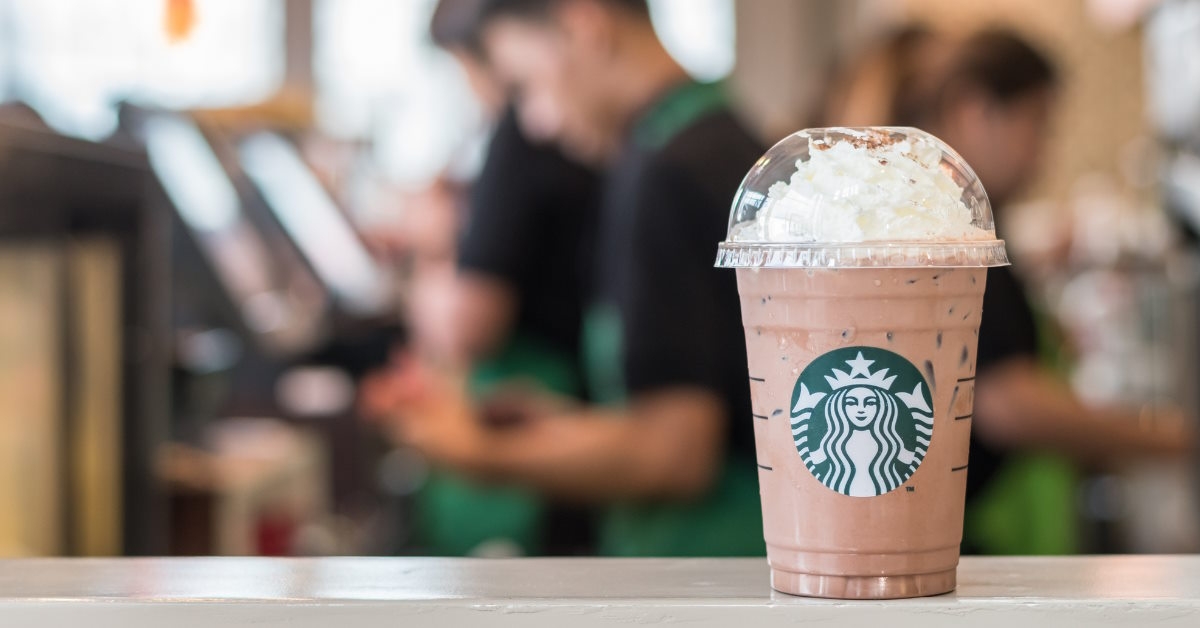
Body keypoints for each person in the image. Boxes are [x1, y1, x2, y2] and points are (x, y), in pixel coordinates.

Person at [380, 0, 766, 556]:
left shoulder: (669, 172)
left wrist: (471, 452)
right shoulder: (704, 136)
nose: (537, 122)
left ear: (583, 26)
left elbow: (678, 453)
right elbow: (705, 390)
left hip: (710, 568)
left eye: (527, 83)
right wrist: (562, 424)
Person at [901, 29, 1193, 553]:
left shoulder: (972, 224)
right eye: (1038, 123)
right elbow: (1002, 400)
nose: (1045, 152)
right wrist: (1173, 438)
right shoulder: (942, 228)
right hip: (947, 534)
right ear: (975, 109)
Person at [360, 0, 600, 556]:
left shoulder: (518, 138)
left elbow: (469, 326)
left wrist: (433, 246)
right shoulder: (546, 139)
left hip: (542, 400)